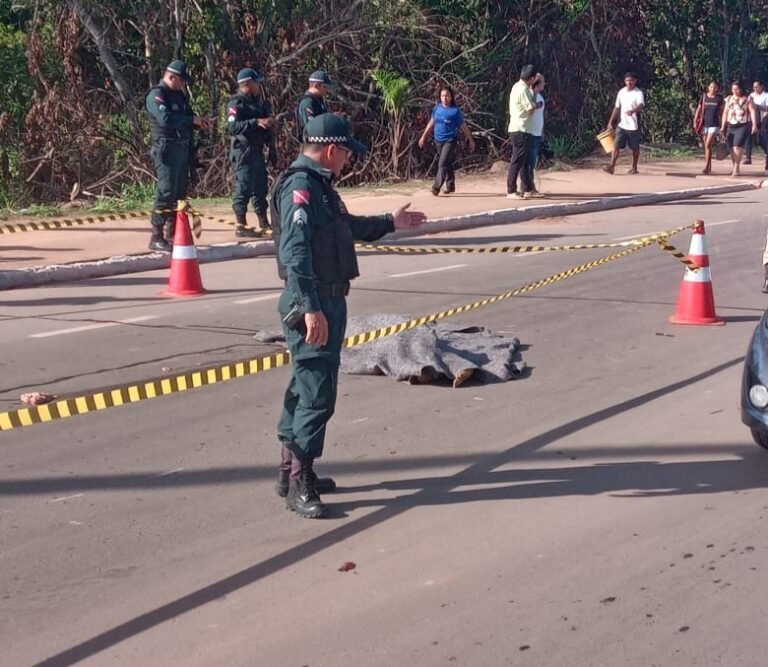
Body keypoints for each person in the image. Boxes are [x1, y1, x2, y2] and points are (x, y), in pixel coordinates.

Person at [271, 114, 427, 518]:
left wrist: (389, 223)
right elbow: (296, 253)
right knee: (317, 394)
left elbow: (345, 229)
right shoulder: (302, 188)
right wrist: (310, 309)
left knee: (305, 383)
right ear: (330, 150)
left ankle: (290, 469)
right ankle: (300, 482)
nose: (348, 161)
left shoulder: (321, 188)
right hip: (315, 301)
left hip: (327, 299)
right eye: (346, 153)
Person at [145, 60, 212, 252]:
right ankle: (156, 235)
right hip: (166, 150)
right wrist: (191, 120)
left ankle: (173, 233)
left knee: (179, 193)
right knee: (165, 192)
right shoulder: (157, 95)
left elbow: (188, 118)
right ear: (171, 77)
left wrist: (198, 123)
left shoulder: (180, 96)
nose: (184, 84)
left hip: (183, 149)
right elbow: (165, 120)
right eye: (181, 80)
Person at [227, 68, 277, 235]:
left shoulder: (257, 102)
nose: (258, 86)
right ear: (247, 83)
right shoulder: (236, 103)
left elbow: (265, 123)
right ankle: (241, 226)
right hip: (243, 151)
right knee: (244, 186)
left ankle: (264, 223)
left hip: (257, 150)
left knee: (260, 187)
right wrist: (255, 122)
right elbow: (233, 127)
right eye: (256, 83)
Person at [417, 85, 475, 196]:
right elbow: (431, 122)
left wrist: (470, 139)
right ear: (440, 97)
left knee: (442, 162)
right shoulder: (437, 109)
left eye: (447, 96)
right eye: (443, 96)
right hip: (438, 139)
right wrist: (424, 136)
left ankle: (436, 187)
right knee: (446, 162)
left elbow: (463, 126)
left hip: (450, 139)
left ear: (451, 97)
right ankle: (450, 185)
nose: (445, 98)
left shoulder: (455, 111)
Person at [506, 64, 542, 199]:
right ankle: (511, 190)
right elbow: (529, 109)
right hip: (520, 129)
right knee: (517, 160)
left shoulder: (517, 87)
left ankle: (528, 188)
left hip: (522, 129)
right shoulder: (522, 90)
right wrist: (537, 105)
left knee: (525, 161)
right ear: (531, 78)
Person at [603, 72, 645, 175]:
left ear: (635, 81)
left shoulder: (638, 93)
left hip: (634, 126)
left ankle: (634, 167)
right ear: (624, 81)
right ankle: (611, 166)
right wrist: (610, 122)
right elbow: (617, 108)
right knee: (616, 145)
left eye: (631, 80)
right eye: (627, 80)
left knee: (635, 148)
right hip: (622, 125)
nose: (629, 82)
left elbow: (641, 105)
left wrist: (633, 111)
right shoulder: (621, 92)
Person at [720, 80, 758, 177]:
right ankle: (734, 166)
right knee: (731, 147)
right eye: (733, 89)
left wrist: (754, 125)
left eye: (737, 89)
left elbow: (753, 111)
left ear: (741, 89)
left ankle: (736, 168)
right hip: (731, 124)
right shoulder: (728, 99)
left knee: (737, 146)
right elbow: (725, 113)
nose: (735, 91)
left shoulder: (748, 99)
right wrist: (723, 126)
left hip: (743, 124)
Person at [693, 81, 724, 175]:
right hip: (704, 124)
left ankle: (706, 167)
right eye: (711, 87)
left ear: (717, 88)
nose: (713, 89)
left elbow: (722, 112)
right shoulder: (704, 97)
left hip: (714, 125)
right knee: (707, 147)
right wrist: (695, 120)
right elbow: (699, 109)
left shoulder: (719, 99)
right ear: (708, 87)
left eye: (715, 87)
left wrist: (723, 125)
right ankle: (709, 165)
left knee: (707, 145)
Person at [295, 70, 333, 141]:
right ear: (316, 85)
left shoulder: (318, 101)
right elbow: (312, 127)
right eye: (324, 87)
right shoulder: (308, 102)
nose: (326, 90)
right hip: (312, 145)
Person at [524, 74, 546, 193]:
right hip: (530, 133)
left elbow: (540, 116)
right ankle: (528, 187)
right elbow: (529, 111)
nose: (544, 84)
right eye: (542, 82)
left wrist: (542, 131)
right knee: (528, 162)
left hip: (537, 132)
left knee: (533, 162)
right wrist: (535, 93)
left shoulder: (540, 97)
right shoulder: (529, 95)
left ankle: (530, 186)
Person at [747, 79, 768, 168]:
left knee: (762, 139)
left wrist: (758, 107)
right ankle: (748, 157)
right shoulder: (751, 96)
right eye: (754, 87)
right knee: (749, 137)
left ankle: (767, 154)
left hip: (763, 119)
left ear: (761, 86)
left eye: (757, 87)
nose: (755, 89)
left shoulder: (766, 96)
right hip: (752, 119)